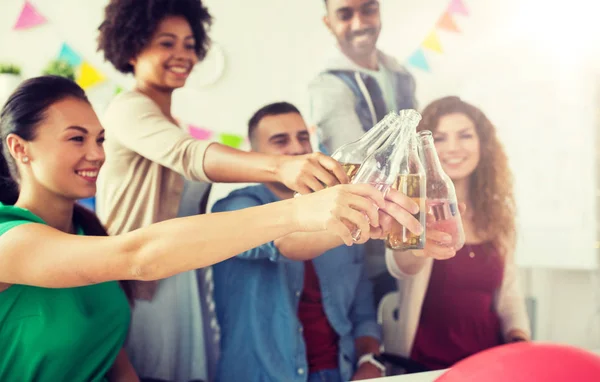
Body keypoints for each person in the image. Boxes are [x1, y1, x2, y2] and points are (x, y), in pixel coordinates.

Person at [0, 75, 392, 381]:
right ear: (20, 148)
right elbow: (138, 256)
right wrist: (299, 211)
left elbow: (112, 357)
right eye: (76, 139)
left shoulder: (89, 234)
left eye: (100, 139)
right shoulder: (9, 240)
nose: (97, 154)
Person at [96, 1, 359, 380]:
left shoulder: (169, 120)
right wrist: (282, 166)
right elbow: (189, 155)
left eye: (189, 44)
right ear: (132, 45)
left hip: (180, 279)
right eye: (166, 43)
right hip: (139, 284)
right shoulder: (128, 108)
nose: (182, 55)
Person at [212, 102, 423, 382]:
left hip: (340, 373)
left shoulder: (342, 205)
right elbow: (285, 244)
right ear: (256, 156)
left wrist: (370, 360)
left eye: (302, 137)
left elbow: (362, 309)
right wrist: (359, 221)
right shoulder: (236, 207)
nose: (298, 149)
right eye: (280, 141)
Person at [385, 96, 531, 371]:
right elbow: (400, 268)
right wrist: (418, 241)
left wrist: (519, 338)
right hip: (425, 368)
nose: (453, 148)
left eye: (465, 136)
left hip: (488, 365)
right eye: (439, 139)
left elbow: (509, 297)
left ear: (482, 144)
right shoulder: (410, 202)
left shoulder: (498, 214)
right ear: (422, 148)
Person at [308, 0, 419, 306]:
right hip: (358, 245)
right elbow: (359, 168)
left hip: (408, 231)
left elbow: (419, 148)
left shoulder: (401, 74)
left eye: (368, 9)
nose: (359, 22)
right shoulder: (328, 86)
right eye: (345, 14)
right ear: (328, 22)